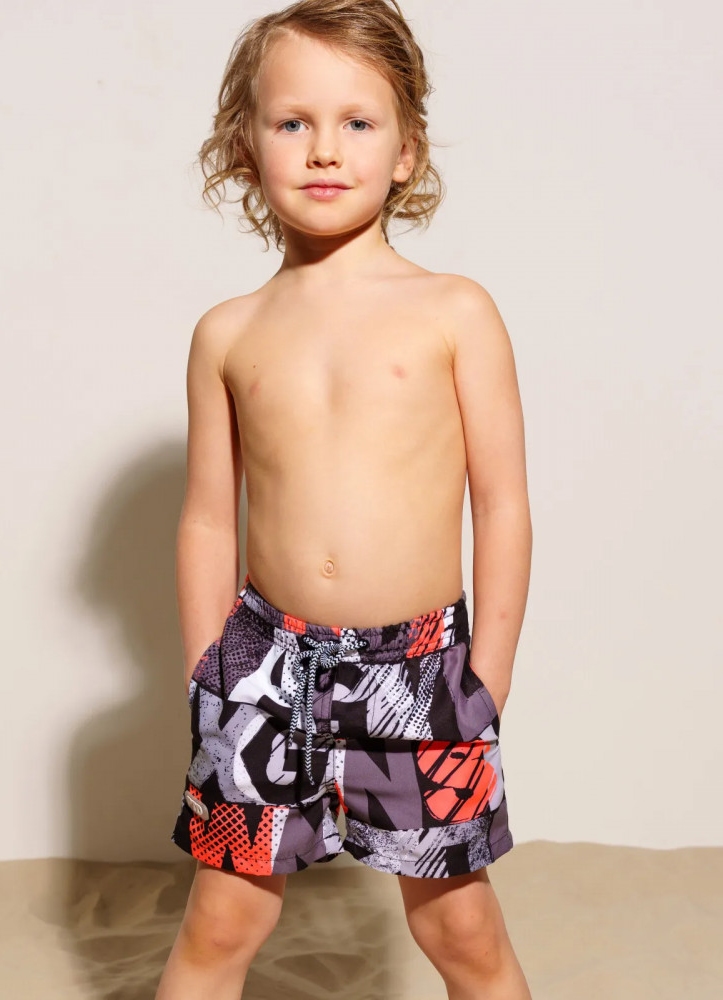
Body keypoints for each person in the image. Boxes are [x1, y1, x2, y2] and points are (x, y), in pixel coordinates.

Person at [155, 1, 532, 997]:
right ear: (246, 148)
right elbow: (207, 515)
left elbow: (501, 504)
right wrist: (208, 668)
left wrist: (485, 678)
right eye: (293, 122)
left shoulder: (454, 311)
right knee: (221, 922)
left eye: (358, 122)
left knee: (461, 931)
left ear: (406, 152)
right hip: (263, 663)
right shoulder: (228, 332)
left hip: (419, 670)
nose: (325, 149)